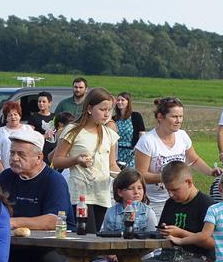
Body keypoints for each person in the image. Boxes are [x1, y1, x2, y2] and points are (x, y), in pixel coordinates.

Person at [0, 128, 74, 262]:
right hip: (13, 245)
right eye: (12, 153)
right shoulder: (6, 177)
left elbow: (53, 220)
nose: (14, 158)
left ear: (39, 158)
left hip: (52, 247)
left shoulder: (53, 180)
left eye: (21, 154)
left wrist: (14, 222)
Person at [134, 97, 221, 217]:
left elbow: (194, 160)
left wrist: (211, 171)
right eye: (174, 117)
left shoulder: (182, 136)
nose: (178, 120)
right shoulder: (147, 141)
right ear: (160, 117)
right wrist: (171, 179)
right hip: (155, 202)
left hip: (182, 200)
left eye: (181, 116)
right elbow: (141, 175)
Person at [51, 87, 120, 234]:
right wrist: (76, 160)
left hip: (101, 194)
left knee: (94, 237)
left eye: (109, 110)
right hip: (80, 195)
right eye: (102, 109)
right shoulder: (73, 130)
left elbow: (112, 165)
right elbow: (56, 160)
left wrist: (127, 181)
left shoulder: (109, 133)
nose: (106, 114)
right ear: (89, 108)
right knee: (86, 238)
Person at [0, 100, 37, 170]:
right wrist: (3, 172)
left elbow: (35, 151)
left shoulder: (28, 129)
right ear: (6, 118)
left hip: (26, 170)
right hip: (7, 169)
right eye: (10, 115)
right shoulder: (1, 132)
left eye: (15, 114)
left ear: (20, 116)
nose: (13, 117)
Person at [111, 91, 146, 168]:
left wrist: (137, 148)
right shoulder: (114, 119)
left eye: (122, 100)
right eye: (118, 100)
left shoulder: (136, 116)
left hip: (131, 152)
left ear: (128, 102)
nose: (120, 102)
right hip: (116, 152)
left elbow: (142, 134)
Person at [27, 91, 58, 163]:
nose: (41, 103)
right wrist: (44, 136)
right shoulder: (33, 117)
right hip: (40, 151)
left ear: (50, 103)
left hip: (53, 151)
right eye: (39, 101)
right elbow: (30, 135)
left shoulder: (55, 117)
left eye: (44, 101)